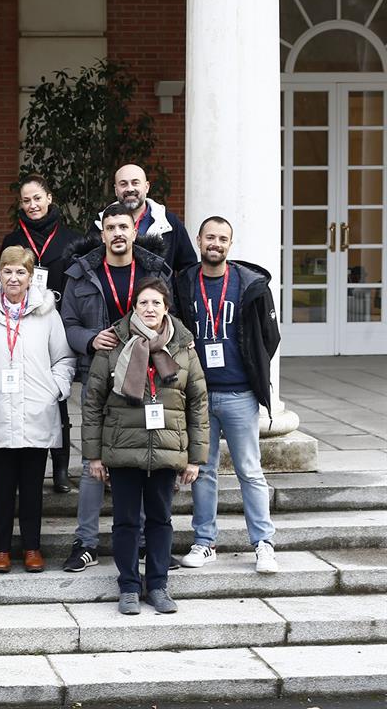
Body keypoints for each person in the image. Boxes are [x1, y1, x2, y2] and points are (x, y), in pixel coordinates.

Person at [81, 278, 208, 614]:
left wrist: (195, 458)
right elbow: (92, 402)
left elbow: (198, 403)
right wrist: (93, 455)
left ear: (166, 308)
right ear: (133, 308)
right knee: (125, 522)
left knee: (160, 520)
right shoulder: (113, 344)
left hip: (166, 449)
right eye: (143, 303)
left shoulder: (183, 347)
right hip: (123, 449)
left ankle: (159, 584)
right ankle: (128, 586)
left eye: (156, 303)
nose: (149, 309)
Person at [59, 204, 174, 573]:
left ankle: (144, 542)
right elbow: (68, 324)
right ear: (103, 232)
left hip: (146, 376)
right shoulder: (82, 274)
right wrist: (92, 339)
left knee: (142, 460)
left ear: (134, 228)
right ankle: (86, 542)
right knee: (92, 460)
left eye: (124, 226)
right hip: (98, 373)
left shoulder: (154, 271)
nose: (118, 233)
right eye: (111, 227)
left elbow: (170, 317)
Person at [174, 217, 281, 574]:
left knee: (250, 470)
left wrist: (253, 370)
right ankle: (205, 543)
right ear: (200, 241)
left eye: (222, 238)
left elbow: (271, 336)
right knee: (203, 471)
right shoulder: (185, 282)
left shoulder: (249, 284)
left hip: (239, 393)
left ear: (230, 245)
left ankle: (263, 543)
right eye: (209, 237)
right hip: (200, 395)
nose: (215, 243)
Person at [0, 246, 75, 574]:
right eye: (7, 271)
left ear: (31, 277)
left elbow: (63, 359)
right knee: (1, 488)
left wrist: (55, 389)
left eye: (20, 272)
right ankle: (0, 549)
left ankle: (32, 548)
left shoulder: (47, 313)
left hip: (37, 411)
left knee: (32, 488)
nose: (13, 278)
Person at [0, 174, 86, 493]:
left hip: (58, 323)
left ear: (49, 198)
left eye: (37, 198)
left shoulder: (71, 239)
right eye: (26, 200)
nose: (32, 205)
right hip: (20, 326)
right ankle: (19, 462)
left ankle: (61, 469)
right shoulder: (12, 240)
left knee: (56, 393)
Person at [95, 164, 197, 273]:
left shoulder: (169, 223)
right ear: (116, 190)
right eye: (123, 184)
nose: (130, 189)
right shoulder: (100, 223)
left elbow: (188, 270)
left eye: (135, 183)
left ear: (147, 187)